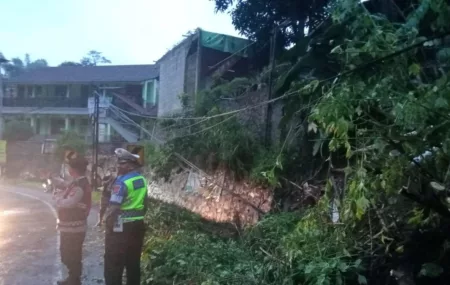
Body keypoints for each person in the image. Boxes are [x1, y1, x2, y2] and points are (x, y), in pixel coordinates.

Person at [104, 148, 148, 285]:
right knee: (133, 262)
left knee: (114, 262)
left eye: (121, 163)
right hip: (138, 226)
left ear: (129, 165)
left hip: (120, 226)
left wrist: (107, 224)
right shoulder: (141, 179)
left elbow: (114, 208)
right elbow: (145, 204)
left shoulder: (122, 182)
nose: (118, 166)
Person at [52, 156, 92, 285]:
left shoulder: (80, 185)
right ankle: (73, 278)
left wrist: (57, 199)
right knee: (70, 254)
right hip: (70, 226)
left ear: (72, 170)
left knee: (70, 255)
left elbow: (69, 202)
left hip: (74, 228)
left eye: (69, 167)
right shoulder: (77, 182)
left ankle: (74, 280)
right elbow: (66, 187)